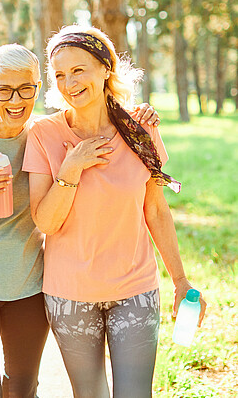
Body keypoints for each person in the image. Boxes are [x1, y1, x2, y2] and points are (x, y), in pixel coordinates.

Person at [0, 43, 160, 398]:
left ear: (38, 89)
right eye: (3, 91)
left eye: (25, 89)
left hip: (28, 284)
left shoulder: (45, 134)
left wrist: (138, 114)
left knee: (23, 388)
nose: (15, 101)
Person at [22, 24, 207, 398]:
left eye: (78, 70)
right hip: (69, 293)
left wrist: (181, 280)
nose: (69, 82)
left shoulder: (140, 129)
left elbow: (155, 210)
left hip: (134, 289)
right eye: (59, 75)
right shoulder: (44, 134)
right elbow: (45, 222)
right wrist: (71, 167)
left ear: (105, 68)